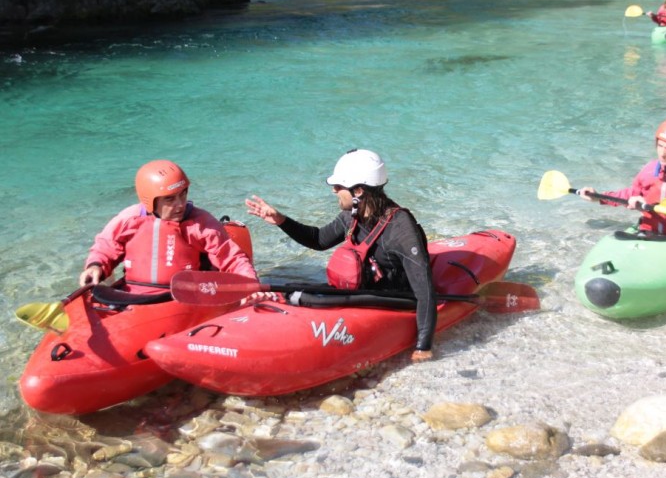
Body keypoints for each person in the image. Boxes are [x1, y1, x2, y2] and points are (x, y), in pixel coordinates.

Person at [245, 149, 437, 362]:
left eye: (339, 186)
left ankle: (288, 300)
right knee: (297, 286)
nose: (334, 190)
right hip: (363, 289)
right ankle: (284, 299)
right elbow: (318, 240)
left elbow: (425, 292)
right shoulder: (351, 215)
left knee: (310, 296)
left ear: (359, 191)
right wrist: (282, 220)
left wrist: (423, 347)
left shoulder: (401, 229)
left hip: (394, 297)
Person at [79, 160, 257, 293]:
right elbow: (106, 246)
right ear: (150, 200)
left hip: (183, 296)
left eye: (182, 195)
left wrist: (250, 284)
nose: (180, 204)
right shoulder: (130, 218)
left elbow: (232, 259)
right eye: (170, 199)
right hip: (134, 294)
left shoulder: (201, 223)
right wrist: (95, 265)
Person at [576, 118, 666, 236]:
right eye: (660, 146)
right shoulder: (650, 169)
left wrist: (648, 206)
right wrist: (599, 197)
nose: (662, 154)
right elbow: (631, 194)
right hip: (649, 231)